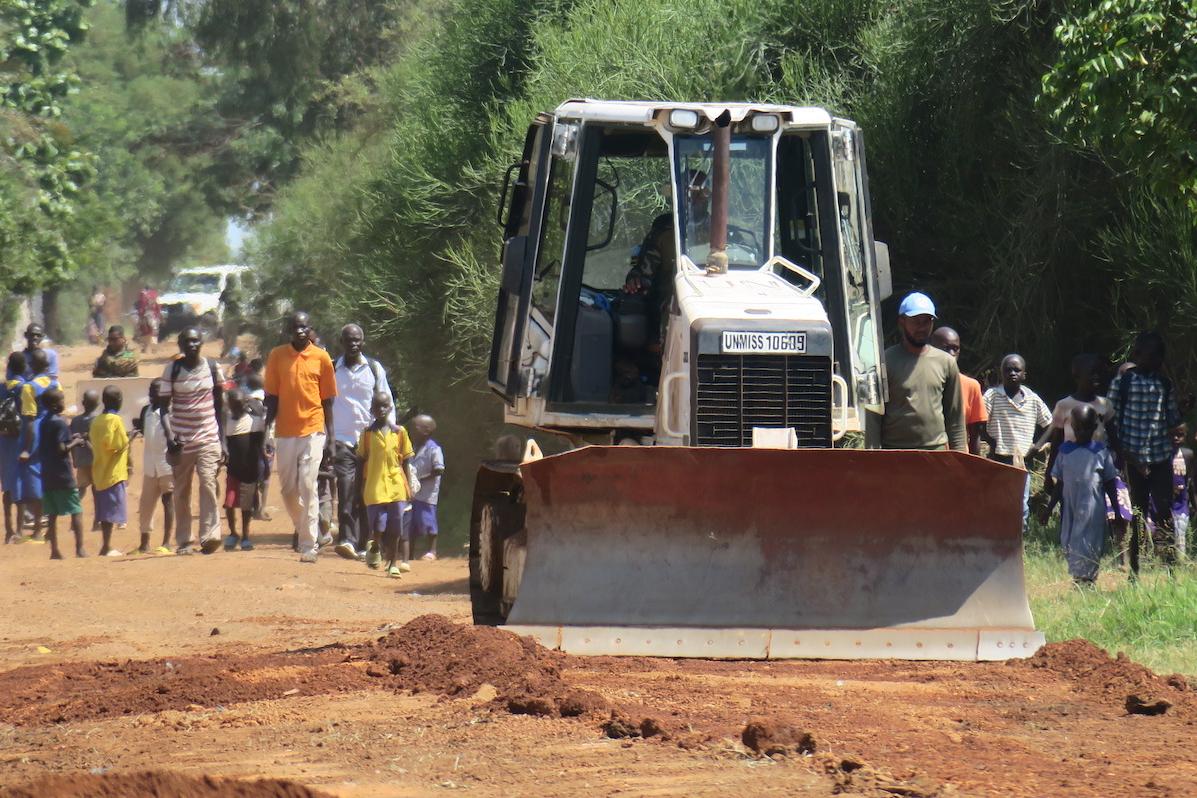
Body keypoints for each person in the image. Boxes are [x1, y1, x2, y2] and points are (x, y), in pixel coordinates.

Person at [265, 311, 337, 563]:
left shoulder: (322, 358)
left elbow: (328, 401)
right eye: (296, 327)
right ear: (289, 329)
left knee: (308, 485)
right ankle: (306, 527)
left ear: (310, 329)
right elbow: (271, 398)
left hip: (313, 429)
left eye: (304, 327)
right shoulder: (277, 356)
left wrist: (331, 438)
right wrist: (265, 430)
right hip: (285, 431)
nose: (300, 331)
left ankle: (309, 545)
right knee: (288, 491)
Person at [1108, 331, 1184, 569]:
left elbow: (1172, 419)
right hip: (1133, 459)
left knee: (1164, 509)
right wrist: (1122, 453)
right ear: (1138, 355)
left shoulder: (1164, 384)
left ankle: (1169, 563)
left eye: (1160, 356)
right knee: (1137, 512)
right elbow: (1110, 420)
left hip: (1160, 457)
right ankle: (1135, 566)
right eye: (1152, 356)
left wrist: (1182, 415)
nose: (1156, 361)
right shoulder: (1123, 382)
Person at [867, 292, 966, 451]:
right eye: (916, 321)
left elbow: (955, 419)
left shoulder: (946, 363)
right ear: (902, 322)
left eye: (927, 321)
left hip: (936, 452)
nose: (922, 327)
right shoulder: (884, 363)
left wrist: (959, 456)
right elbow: (873, 417)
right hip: (895, 452)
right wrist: (872, 457)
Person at [159, 327, 225, 555]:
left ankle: (210, 535)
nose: (192, 345)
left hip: (208, 437)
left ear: (201, 343)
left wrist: (223, 441)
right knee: (181, 490)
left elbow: (220, 406)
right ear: (180, 345)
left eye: (195, 341)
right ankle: (185, 540)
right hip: (182, 440)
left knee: (208, 483)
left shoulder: (213, 368)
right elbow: (163, 408)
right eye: (187, 341)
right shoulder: (172, 370)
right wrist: (170, 438)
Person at [331, 323, 394, 560]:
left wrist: (390, 435)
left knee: (367, 493)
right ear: (342, 342)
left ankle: (364, 543)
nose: (353, 344)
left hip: (370, 440)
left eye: (357, 340)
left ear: (363, 342)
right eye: (349, 340)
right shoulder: (332, 369)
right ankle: (346, 539)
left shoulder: (374, 370)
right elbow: (325, 403)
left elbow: (387, 402)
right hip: (342, 440)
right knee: (346, 489)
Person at [1040, 405, 1119, 585]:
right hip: (1071, 508)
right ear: (1072, 428)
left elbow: (1110, 483)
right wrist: (1049, 508)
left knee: (1091, 541)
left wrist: (1116, 511)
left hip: (1093, 508)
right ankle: (1078, 577)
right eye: (1078, 428)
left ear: (1094, 428)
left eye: (1086, 428)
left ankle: (1087, 580)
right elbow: (1060, 483)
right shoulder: (1065, 451)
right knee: (1070, 541)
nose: (1082, 432)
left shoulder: (1101, 452)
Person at [983, 354, 1051, 528]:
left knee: (1020, 503)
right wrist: (992, 442)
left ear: (1024, 374)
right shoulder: (992, 396)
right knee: (997, 500)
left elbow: (1050, 425)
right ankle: (997, 535)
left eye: (1017, 370)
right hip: (998, 458)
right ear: (1001, 373)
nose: (1012, 373)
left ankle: (1019, 536)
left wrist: (1036, 447)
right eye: (1008, 370)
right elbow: (980, 421)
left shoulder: (1032, 399)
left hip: (1022, 461)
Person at [357, 391, 414, 577]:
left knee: (396, 526)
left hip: (396, 485)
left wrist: (409, 486)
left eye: (385, 406)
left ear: (390, 408)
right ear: (371, 409)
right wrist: (358, 488)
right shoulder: (367, 434)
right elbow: (360, 461)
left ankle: (393, 563)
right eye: (377, 406)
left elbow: (406, 461)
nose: (381, 409)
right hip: (374, 486)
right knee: (378, 525)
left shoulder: (399, 432)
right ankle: (374, 547)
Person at [37, 389, 87, 559]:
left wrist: (71, 438)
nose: (63, 403)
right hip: (63, 474)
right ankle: (80, 549)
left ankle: (54, 550)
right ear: (54, 405)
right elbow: (61, 449)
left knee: (52, 513)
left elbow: (51, 444)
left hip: (47, 473)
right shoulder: (60, 422)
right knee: (76, 510)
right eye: (61, 400)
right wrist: (76, 442)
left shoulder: (44, 422)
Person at [16, 349, 59, 542]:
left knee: (34, 479)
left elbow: (30, 419)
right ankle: (51, 528)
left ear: (31, 365)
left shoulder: (29, 387)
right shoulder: (55, 383)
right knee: (49, 477)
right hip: (53, 430)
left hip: (35, 433)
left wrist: (26, 448)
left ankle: (37, 530)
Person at [929, 326, 987, 454]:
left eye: (955, 349)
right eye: (946, 348)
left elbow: (975, 436)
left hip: (958, 457)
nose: (951, 353)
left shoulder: (971, 386)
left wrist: (972, 464)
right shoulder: (922, 382)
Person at [133, 379, 174, 555]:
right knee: (145, 505)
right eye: (150, 390)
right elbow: (144, 431)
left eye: (155, 390)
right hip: (150, 465)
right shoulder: (146, 411)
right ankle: (144, 544)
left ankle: (167, 542)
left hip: (167, 465)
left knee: (168, 501)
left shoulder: (172, 412)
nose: (151, 393)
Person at [222, 388, 265, 551]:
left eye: (239, 404)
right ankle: (233, 533)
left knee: (246, 507)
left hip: (250, 471)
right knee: (229, 503)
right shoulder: (227, 423)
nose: (237, 408)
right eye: (233, 405)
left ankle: (246, 536)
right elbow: (225, 444)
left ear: (244, 404)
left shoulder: (255, 422)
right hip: (233, 470)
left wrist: (264, 469)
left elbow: (260, 446)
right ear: (229, 405)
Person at [90, 385, 130, 557]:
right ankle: (106, 546)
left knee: (104, 510)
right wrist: (129, 438)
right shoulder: (115, 420)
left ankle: (106, 546)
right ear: (119, 401)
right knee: (110, 512)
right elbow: (118, 444)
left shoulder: (96, 421)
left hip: (99, 471)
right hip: (113, 473)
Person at [408, 414, 444, 562]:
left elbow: (439, 469)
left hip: (427, 494)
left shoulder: (433, 449)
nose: (411, 430)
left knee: (428, 520)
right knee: (410, 522)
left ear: (426, 431)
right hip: (413, 493)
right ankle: (409, 552)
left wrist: (420, 479)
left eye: (414, 428)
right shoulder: (412, 447)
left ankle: (432, 550)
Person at [1, 353, 27, 542]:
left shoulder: (2, 387)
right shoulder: (25, 387)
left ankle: (8, 530)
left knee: (7, 486)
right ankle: (19, 530)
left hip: (3, 440)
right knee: (20, 484)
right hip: (19, 438)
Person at [135, 284, 161, 353]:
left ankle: (145, 347)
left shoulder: (142, 294)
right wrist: (158, 314)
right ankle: (154, 348)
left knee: (144, 331)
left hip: (145, 314)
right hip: (153, 315)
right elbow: (158, 305)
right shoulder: (155, 294)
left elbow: (141, 304)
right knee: (153, 331)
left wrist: (140, 314)